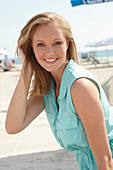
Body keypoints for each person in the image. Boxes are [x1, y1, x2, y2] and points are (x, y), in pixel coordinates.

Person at [5, 12, 113, 170]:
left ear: (67, 44)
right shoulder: (47, 87)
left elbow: (105, 160)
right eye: (40, 44)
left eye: (57, 43)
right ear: (31, 49)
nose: (49, 52)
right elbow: (13, 127)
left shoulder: (80, 87)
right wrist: (26, 73)